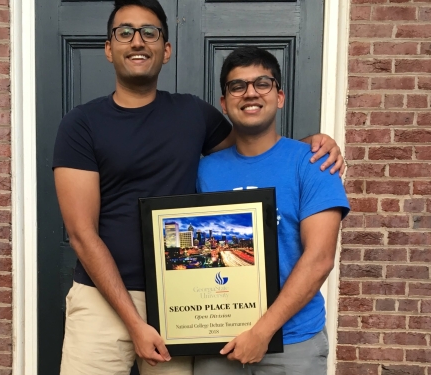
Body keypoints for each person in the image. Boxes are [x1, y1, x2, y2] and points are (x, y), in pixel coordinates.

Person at [52, 1, 345, 374]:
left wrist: (311, 146)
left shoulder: (193, 114)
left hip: (182, 304)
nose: (137, 41)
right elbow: (80, 233)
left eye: (150, 32)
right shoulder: (81, 124)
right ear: (109, 48)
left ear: (166, 49)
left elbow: (254, 149)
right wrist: (134, 322)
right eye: (124, 32)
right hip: (102, 301)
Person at [193, 47, 350, 375]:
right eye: (237, 86)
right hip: (217, 340)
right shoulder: (204, 172)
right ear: (224, 103)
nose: (250, 93)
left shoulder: (313, 164)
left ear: (279, 97)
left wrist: (261, 332)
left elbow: (320, 258)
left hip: (293, 343)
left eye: (262, 83)